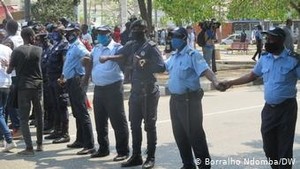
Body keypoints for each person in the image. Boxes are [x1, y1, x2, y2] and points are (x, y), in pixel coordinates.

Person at [221, 27, 299, 169]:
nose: (267, 42)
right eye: (266, 39)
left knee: (284, 149)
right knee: (269, 148)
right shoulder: (264, 58)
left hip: (286, 109)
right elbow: (252, 76)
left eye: (271, 39)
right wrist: (230, 83)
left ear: (281, 41)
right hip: (269, 109)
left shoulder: (294, 60)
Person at [100, 19, 165, 169]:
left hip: (149, 91)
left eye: (137, 30)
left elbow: (161, 67)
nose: (134, 32)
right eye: (133, 30)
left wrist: (144, 62)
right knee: (134, 125)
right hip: (135, 91)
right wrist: (120, 62)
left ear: (144, 31)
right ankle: (136, 156)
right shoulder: (131, 45)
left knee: (149, 125)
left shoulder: (151, 47)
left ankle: (151, 157)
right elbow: (120, 56)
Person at [164, 27, 225, 169]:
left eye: (176, 37)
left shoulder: (193, 55)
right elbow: (162, 67)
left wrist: (215, 82)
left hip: (189, 101)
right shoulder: (174, 56)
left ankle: (204, 166)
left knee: (195, 135)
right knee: (179, 134)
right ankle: (188, 164)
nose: (173, 40)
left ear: (184, 39)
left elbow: (206, 70)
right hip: (175, 100)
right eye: (171, 37)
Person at [82, 25, 129, 161]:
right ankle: (103, 148)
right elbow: (90, 63)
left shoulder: (117, 47)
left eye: (103, 34)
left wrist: (109, 57)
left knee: (118, 121)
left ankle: (123, 151)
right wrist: (85, 74)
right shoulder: (97, 48)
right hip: (99, 88)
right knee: (100, 120)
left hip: (113, 87)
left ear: (109, 34)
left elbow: (124, 58)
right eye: (98, 34)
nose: (100, 36)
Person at [58, 24, 95, 155]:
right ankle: (80, 140)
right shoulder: (72, 46)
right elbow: (68, 63)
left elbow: (89, 58)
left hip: (77, 80)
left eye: (70, 32)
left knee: (82, 112)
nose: (67, 35)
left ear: (77, 32)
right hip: (70, 80)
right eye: (66, 33)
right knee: (76, 112)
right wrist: (63, 76)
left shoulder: (79, 46)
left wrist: (85, 77)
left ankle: (90, 144)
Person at [7, 27, 44, 156]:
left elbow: (9, 70)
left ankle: (29, 147)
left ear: (23, 37)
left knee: (23, 118)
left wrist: (8, 65)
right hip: (38, 85)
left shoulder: (17, 51)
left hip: (24, 87)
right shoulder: (39, 50)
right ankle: (40, 144)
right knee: (39, 115)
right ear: (31, 36)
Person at [45, 24, 70, 144]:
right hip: (51, 78)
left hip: (58, 79)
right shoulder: (55, 45)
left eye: (56, 32)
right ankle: (57, 130)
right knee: (54, 105)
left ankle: (64, 133)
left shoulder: (64, 45)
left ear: (62, 33)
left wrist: (62, 77)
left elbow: (65, 62)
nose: (54, 33)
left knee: (61, 105)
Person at [0, 43, 17, 152]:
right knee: (3, 112)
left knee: (0, 112)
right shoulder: (7, 49)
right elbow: (13, 66)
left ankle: (8, 139)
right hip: (6, 83)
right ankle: (2, 139)